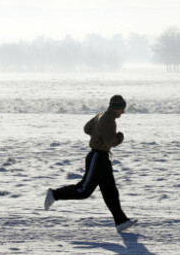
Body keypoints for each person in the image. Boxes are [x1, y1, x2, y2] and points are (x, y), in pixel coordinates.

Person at [44, 95, 137, 233]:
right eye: (122, 109)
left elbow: (87, 128)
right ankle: (54, 194)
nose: (123, 112)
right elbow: (111, 142)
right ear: (116, 108)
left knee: (110, 191)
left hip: (102, 157)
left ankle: (121, 221)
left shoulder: (101, 116)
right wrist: (120, 137)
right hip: (97, 157)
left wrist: (97, 135)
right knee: (84, 190)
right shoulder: (108, 120)